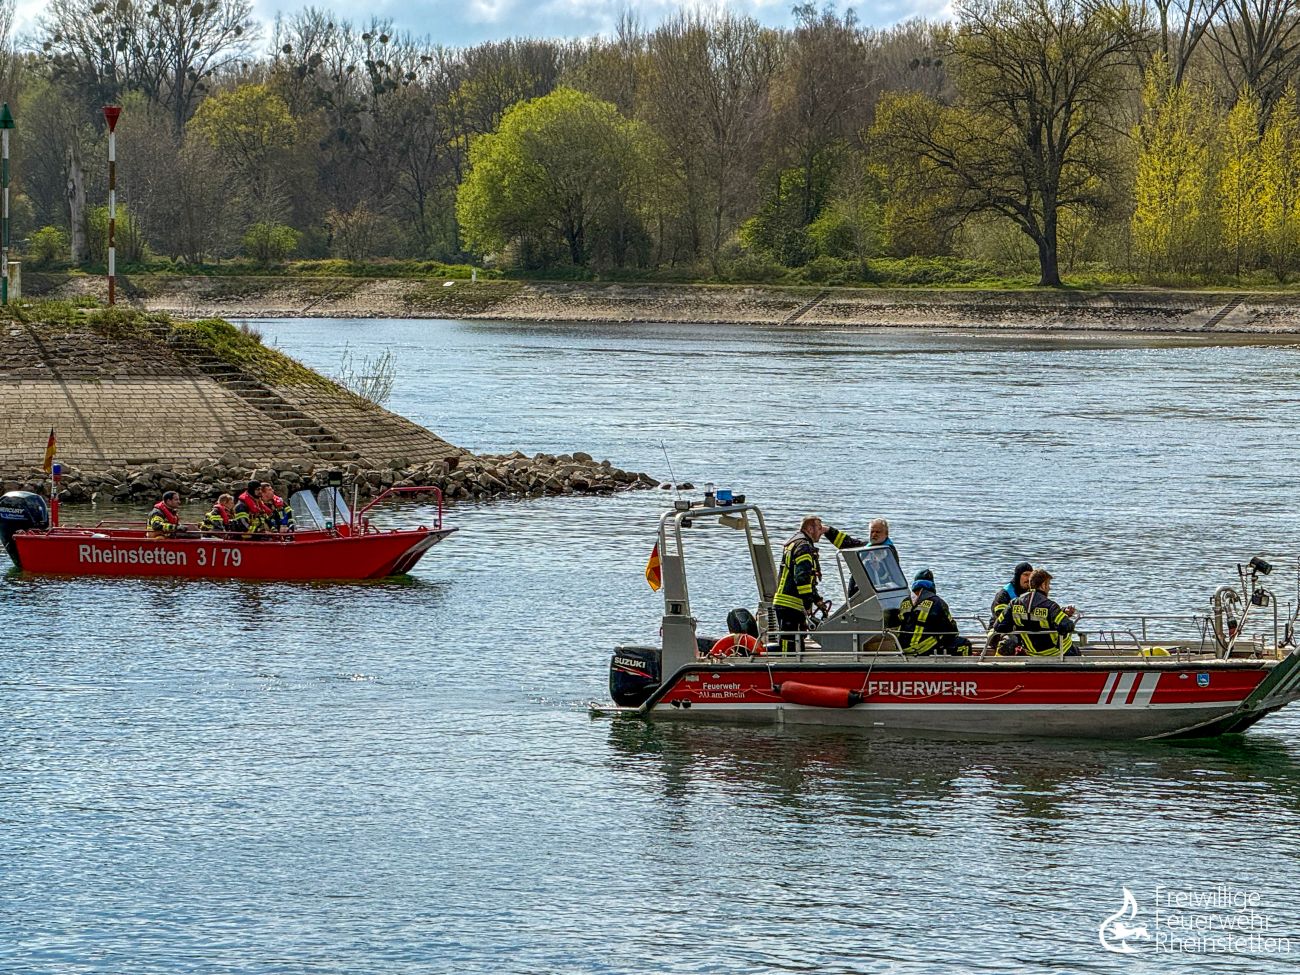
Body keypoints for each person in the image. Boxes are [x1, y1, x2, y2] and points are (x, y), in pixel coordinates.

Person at [773, 515, 832, 655]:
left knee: (795, 641)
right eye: (819, 528)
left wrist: (817, 600)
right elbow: (802, 579)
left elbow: (806, 579)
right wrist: (808, 604)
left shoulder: (795, 542)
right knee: (790, 643)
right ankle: (786, 670)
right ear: (810, 529)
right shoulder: (804, 546)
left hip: (787, 603)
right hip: (791, 604)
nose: (822, 531)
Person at [995, 568, 1079, 656]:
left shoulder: (1014, 603)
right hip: (1057, 653)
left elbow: (999, 627)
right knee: (1074, 649)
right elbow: (1067, 626)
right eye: (1048, 584)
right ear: (1043, 585)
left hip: (1031, 652)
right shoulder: (1050, 606)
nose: (1049, 588)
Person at [896, 572, 962, 655]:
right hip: (922, 648)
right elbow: (952, 630)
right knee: (963, 644)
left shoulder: (905, 601)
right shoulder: (937, 602)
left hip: (901, 647)